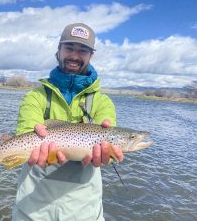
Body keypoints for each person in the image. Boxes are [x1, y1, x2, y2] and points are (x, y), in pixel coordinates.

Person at [12, 23, 124, 221]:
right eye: (69, 48)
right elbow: (26, 132)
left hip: (84, 209)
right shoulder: (35, 96)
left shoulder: (102, 102)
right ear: (58, 51)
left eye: (82, 50)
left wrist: (110, 154)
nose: (74, 55)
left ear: (91, 56)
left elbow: (112, 152)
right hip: (33, 208)